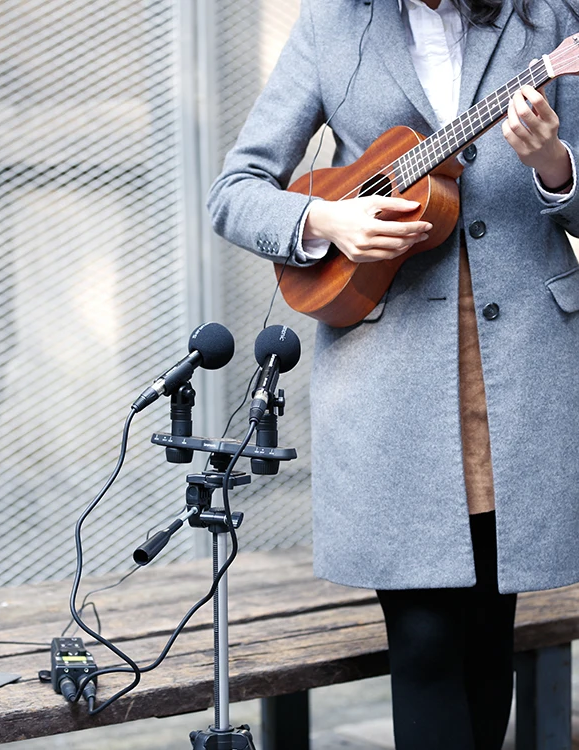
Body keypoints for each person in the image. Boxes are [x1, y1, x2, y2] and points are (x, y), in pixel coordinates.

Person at [207, 0, 579, 748]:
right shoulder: (332, 27)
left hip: (519, 378)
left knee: (487, 632)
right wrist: (325, 223)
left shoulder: (548, 21)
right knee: (424, 637)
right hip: (392, 382)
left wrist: (554, 164)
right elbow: (236, 191)